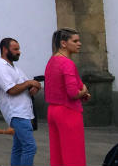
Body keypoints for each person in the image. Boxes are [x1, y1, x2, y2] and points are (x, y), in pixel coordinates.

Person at [0, 37, 42, 166]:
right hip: (16, 113)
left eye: (19, 49)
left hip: (24, 112)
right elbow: (11, 90)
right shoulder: (0, 68)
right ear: (4, 49)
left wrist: (34, 86)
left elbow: (26, 85)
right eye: (15, 49)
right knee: (30, 147)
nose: (19, 52)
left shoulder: (15, 68)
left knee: (18, 148)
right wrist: (29, 83)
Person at [45, 27, 90, 166]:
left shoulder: (52, 61)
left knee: (57, 154)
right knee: (74, 154)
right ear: (64, 43)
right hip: (68, 111)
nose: (79, 43)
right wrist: (83, 91)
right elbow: (72, 93)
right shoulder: (67, 63)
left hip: (53, 110)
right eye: (75, 41)